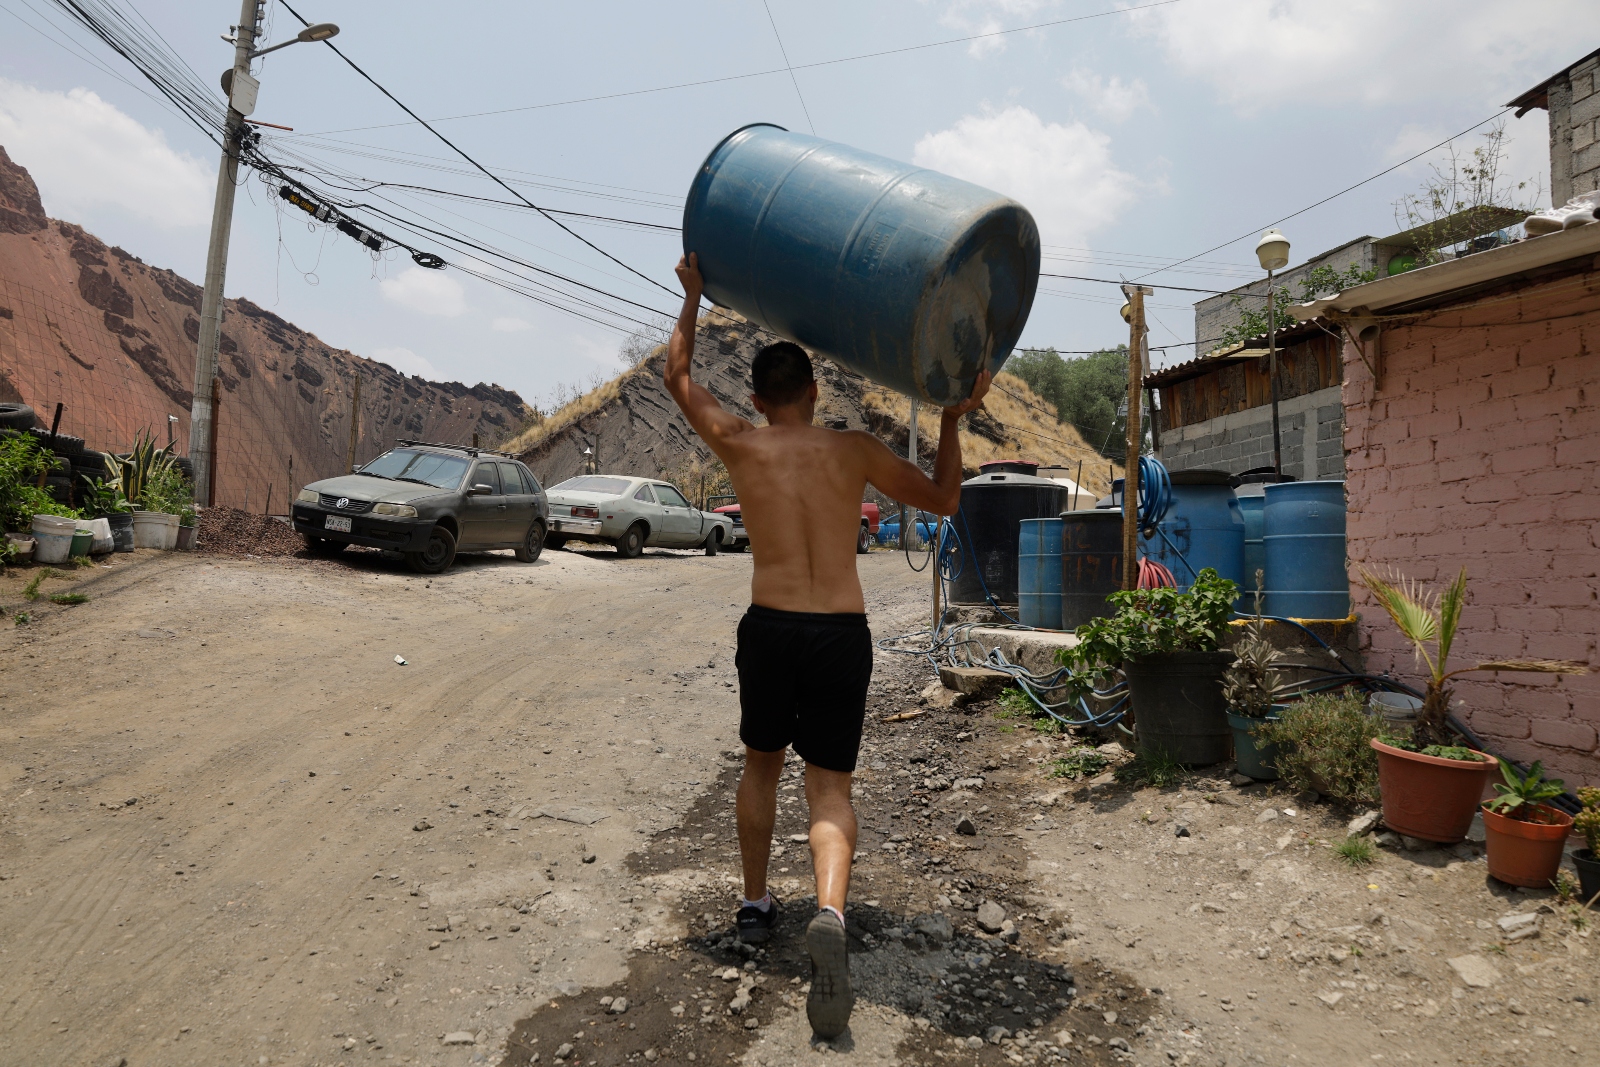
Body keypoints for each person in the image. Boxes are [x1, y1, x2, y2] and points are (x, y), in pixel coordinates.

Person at [663, 253, 989, 1039]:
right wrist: (949, 419)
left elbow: (677, 377)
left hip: (770, 625)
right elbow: (945, 499)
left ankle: (753, 902)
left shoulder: (738, 441)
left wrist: (694, 294)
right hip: (840, 631)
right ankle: (831, 910)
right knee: (830, 787)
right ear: (813, 394)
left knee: (760, 765)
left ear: (755, 398)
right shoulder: (854, 451)